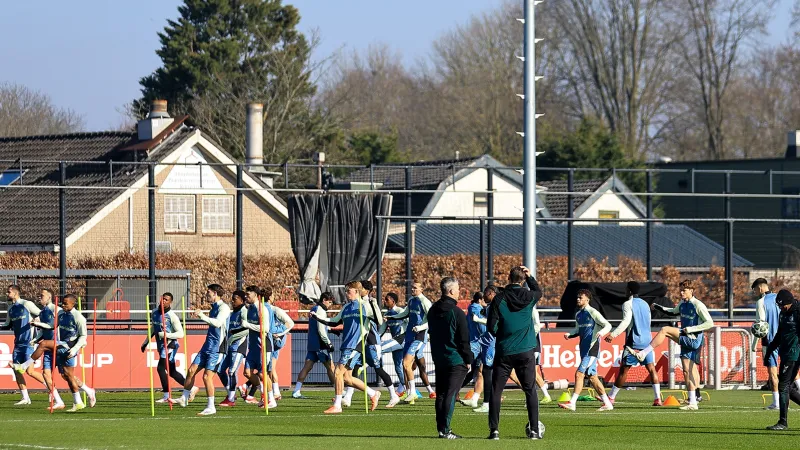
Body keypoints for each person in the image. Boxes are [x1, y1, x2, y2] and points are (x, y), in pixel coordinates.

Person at [629, 280, 713, 411]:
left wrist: (691, 329)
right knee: (687, 371)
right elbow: (672, 312)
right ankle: (693, 402)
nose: (681, 292)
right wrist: (657, 307)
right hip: (686, 337)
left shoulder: (698, 305)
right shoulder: (683, 304)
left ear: (691, 291)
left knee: (665, 330)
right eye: (680, 290)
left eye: (684, 290)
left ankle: (643, 353)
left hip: (693, 338)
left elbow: (709, 323)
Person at [486, 266, 544, 440]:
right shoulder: (529, 296)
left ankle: (494, 431)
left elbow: (491, 327)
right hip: (526, 350)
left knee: (496, 390)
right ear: (522, 279)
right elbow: (538, 291)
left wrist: (501, 333)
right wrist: (531, 277)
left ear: (509, 278)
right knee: (530, 390)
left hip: (504, 350)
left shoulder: (499, 298)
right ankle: (534, 430)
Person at [21, 294, 94, 412]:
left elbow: (83, 336)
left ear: (72, 304)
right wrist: (38, 324)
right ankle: (80, 400)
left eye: (66, 303)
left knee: (44, 344)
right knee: (67, 376)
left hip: (70, 346)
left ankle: (24, 365)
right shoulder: (60, 314)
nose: (63, 305)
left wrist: (75, 349)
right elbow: (51, 326)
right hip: (62, 344)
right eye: (62, 303)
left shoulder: (79, 317)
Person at [318, 281, 381, 414]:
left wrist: (374, 304)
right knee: (347, 378)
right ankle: (373, 393)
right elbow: (334, 322)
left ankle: (337, 405)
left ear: (357, 292)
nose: (347, 294)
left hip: (355, 345)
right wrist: (317, 317)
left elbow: (379, 321)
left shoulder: (365, 306)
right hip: (346, 345)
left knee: (337, 372)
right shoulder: (346, 307)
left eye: (349, 291)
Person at [175, 284, 230, 416]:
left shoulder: (224, 308)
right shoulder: (213, 308)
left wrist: (202, 316)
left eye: (208, 293)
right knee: (191, 370)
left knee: (207, 377)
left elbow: (218, 323)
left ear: (215, 294)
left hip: (218, 349)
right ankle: (184, 398)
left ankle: (211, 407)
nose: (207, 295)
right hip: (207, 346)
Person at [428, 277, 472, 439]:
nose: (459, 292)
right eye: (458, 289)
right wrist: (468, 359)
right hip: (455, 359)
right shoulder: (457, 312)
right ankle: (445, 430)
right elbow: (463, 339)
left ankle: (441, 429)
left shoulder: (433, 310)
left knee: (441, 394)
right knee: (450, 394)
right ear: (451, 291)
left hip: (439, 358)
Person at [605, 281, 662, 406]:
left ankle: (611, 397)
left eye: (626, 289)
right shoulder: (645, 304)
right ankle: (658, 398)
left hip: (634, 342)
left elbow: (626, 322)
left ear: (629, 291)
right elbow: (648, 321)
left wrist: (613, 334)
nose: (625, 291)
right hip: (648, 341)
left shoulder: (627, 304)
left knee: (623, 370)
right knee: (652, 369)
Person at [559, 289, 614, 412]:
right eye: (577, 297)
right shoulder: (578, 314)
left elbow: (608, 325)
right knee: (593, 377)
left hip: (592, 349)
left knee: (579, 374)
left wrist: (601, 332)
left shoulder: (592, 312)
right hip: (584, 350)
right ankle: (607, 404)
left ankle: (572, 403)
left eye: (581, 298)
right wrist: (569, 334)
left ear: (587, 300)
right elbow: (577, 330)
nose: (578, 299)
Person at [385, 282, 436, 403]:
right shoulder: (412, 300)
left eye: (415, 288)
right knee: (408, 365)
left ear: (421, 289)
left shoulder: (425, 302)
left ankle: (413, 392)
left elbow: (432, 319)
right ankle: (413, 392)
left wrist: (420, 328)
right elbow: (404, 314)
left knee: (407, 363)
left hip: (419, 336)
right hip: (409, 336)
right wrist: (392, 317)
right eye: (412, 287)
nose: (412, 289)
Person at [357, 280, 400, 407]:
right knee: (354, 368)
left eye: (361, 288)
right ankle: (346, 397)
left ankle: (393, 395)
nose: (359, 290)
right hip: (361, 341)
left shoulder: (371, 302)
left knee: (378, 369)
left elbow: (379, 321)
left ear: (367, 290)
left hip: (372, 341)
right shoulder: (357, 302)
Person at [3, 284, 46, 405]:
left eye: (8, 292)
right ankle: (25, 398)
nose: (7, 294)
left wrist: (37, 320)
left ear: (15, 293)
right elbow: (7, 324)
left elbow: (41, 314)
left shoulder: (27, 304)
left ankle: (52, 390)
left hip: (29, 343)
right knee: (17, 371)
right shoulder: (11, 309)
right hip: (18, 344)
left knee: (29, 371)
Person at [140, 292, 186, 404]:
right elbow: (153, 328)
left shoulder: (172, 316)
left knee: (160, 368)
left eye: (166, 299)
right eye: (162, 298)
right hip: (161, 345)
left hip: (170, 345)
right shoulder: (154, 312)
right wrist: (146, 342)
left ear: (170, 302)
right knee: (172, 372)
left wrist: (166, 335)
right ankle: (191, 387)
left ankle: (166, 395)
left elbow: (181, 334)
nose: (163, 301)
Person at [764, 289, 800, 430]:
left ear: (789, 302)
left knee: (783, 386)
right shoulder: (782, 313)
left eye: (782, 305)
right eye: (779, 305)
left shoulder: (798, 312)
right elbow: (779, 334)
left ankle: (782, 422)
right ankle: (782, 422)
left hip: (794, 354)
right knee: (788, 388)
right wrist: (770, 350)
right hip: (785, 354)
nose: (781, 307)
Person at [292, 292, 336, 398]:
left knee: (307, 367)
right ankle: (338, 389)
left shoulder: (313, 309)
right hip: (320, 344)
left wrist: (330, 329)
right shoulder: (321, 311)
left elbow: (316, 326)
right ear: (324, 300)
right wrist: (328, 343)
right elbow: (321, 329)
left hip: (312, 343)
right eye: (329, 302)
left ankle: (296, 390)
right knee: (331, 367)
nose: (330, 304)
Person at [240, 285, 277, 408]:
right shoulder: (249, 308)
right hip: (253, 347)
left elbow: (265, 329)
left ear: (256, 296)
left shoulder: (262, 309)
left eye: (248, 295)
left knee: (263, 374)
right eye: (246, 294)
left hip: (264, 346)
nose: (246, 297)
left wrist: (247, 325)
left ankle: (271, 399)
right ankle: (263, 393)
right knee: (247, 372)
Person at [33, 288, 66, 409]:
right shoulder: (42, 313)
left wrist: (38, 324)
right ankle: (59, 401)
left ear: (49, 297)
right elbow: (43, 331)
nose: (40, 297)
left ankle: (87, 391)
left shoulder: (55, 309)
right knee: (46, 374)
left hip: (57, 346)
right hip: (47, 347)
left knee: (67, 376)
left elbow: (52, 327)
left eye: (42, 295)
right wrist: (35, 339)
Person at [752, 278, 780, 410]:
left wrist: (753, 345)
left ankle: (776, 403)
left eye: (755, 290)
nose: (755, 292)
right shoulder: (779, 298)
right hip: (785, 339)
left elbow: (761, 326)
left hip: (770, 341)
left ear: (761, 288)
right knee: (794, 371)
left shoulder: (760, 302)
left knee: (773, 373)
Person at [218, 290, 248, 407]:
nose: (232, 300)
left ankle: (231, 399)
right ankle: (231, 393)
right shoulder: (232, 313)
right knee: (220, 370)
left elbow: (246, 328)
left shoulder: (244, 311)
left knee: (232, 371)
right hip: (230, 346)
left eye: (235, 298)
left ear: (241, 300)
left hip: (239, 346)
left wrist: (234, 332)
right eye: (232, 298)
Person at [378, 292, 407, 397]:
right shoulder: (387, 314)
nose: (385, 301)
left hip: (402, 340)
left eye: (387, 300)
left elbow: (409, 322)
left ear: (393, 301)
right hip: (396, 342)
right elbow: (381, 331)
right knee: (398, 367)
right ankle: (407, 389)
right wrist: (375, 339)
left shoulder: (400, 311)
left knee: (379, 349)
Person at [267, 291, 295, 401]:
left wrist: (279, 333)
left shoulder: (275, 310)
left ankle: (274, 393)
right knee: (269, 368)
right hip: (271, 341)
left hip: (274, 342)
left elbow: (290, 323)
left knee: (268, 368)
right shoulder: (265, 309)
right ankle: (275, 392)